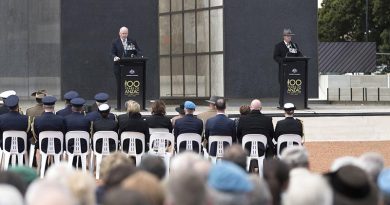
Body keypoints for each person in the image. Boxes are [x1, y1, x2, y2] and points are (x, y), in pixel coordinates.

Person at [111, 26, 142, 109]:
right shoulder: (115, 42)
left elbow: (138, 51)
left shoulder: (132, 41)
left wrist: (137, 55)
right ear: (119, 33)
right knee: (120, 86)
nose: (124, 35)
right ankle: (119, 106)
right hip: (119, 67)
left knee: (131, 86)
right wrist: (115, 57)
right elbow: (112, 53)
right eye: (123, 33)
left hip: (130, 67)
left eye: (126, 33)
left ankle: (133, 106)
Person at [273, 28, 302, 108]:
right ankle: (282, 104)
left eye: (290, 36)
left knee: (293, 87)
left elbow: (299, 54)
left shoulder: (294, 45)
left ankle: (294, 103)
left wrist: (301, 59)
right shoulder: (279, 46)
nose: (290, 37)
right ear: (284, 37)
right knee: (284, 87)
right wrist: (283, 61)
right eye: (288, 36)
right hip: (284, 70)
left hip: (294, 71)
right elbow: (275, 57)